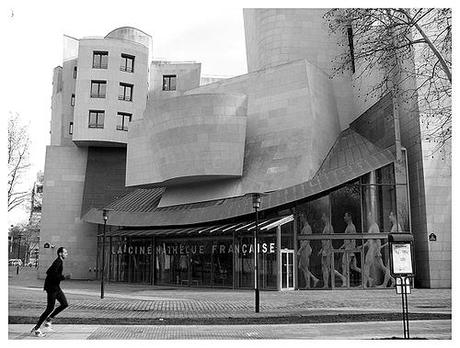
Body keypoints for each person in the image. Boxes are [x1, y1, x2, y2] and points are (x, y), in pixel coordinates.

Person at [31, 247, 69, 337]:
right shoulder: (58, 262)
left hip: (56, 287)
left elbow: (49, 271)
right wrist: (64, 277)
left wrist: (61, 277)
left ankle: (49, 319)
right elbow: (51, 274)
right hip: (51, 288)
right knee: (49, 308)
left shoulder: (59, 261)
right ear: (60, 254)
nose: (67, 254)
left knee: (64, 304)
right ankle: (37, 328)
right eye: (65, 252)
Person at [362, 212, 394, 288]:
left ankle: (364, 283)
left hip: (374, 248)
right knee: (381, 266)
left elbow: (377, 239)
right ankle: (393, 280)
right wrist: (362, 246)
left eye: (369, 217)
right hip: (373, 248)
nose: (368, 218)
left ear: (372, 217)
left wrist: (378, 250)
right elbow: (370, 239)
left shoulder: (375, 226)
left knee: (367, 264)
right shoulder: (372, 226)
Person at [337, 212, 361, 286]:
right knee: (354, 267)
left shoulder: (351, 227)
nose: (344, 217)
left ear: (349, 217)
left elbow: (353, 240)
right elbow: (348, 240)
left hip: (349, 250)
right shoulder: (349, 226)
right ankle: (369, 278)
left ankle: (345, 282)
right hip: (349, 249)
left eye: (345, 216)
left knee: (344, 266)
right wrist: (342, 247)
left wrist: (350, 251)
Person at [297, 214, 319, 288]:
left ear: (304, 218)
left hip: (305, 249)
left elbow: (306, 240)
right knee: (301, 266)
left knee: (305, 267)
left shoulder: (307, 228)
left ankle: (308, 284)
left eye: (301, 217)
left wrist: (300, 250)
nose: (300, 219)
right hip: (304, 249)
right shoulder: (305, 227)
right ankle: (313, 279)